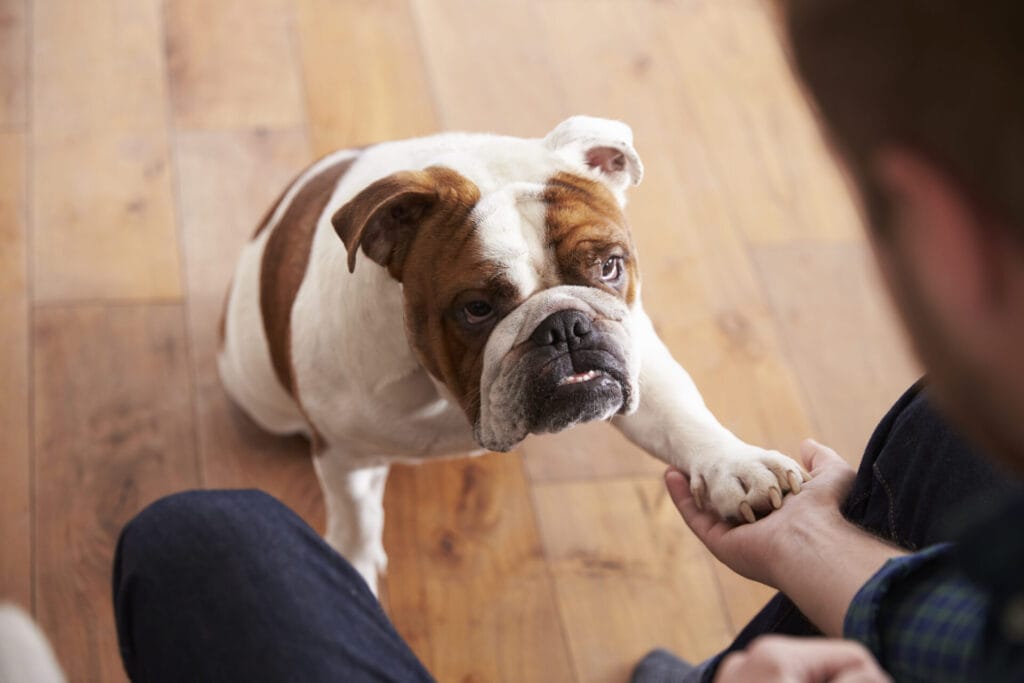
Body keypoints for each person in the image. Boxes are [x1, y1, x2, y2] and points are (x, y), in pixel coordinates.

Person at [111, 0, 1024, 681]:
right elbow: (342, 440)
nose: (571, 333)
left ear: (613, 173)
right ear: (385, 248)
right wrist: (355, 540)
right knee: (257, 405)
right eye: (480, 309)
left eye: (605, 274)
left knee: (199, 544)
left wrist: (712, 448)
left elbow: (639, 354)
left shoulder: (573, 187)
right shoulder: (357, 305)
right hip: (310, 387)